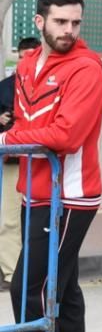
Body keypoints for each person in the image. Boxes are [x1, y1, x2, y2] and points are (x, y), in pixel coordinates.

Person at [0, 0, 102, 332]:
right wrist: (17, 139)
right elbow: (31, 123)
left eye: (75, 22)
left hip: (72, 195)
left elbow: (64, 135)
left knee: (31, 289)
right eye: (60, 22)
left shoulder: (86, 68)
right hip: (35, 193)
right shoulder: (26, 65)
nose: (69, 30)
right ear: (40, 22)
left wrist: (6, 139)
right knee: (64, 288)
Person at [0, 37, 39, 292]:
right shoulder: (4, 87)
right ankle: (12, 273)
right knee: (10, 221)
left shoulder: (48, 85)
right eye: (22, 55)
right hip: (11, 163)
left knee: (38, 221)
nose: (26, 60)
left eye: (31, 55)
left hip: (40, 163)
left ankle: (33, 273)